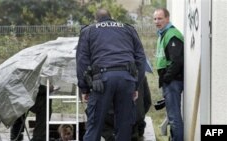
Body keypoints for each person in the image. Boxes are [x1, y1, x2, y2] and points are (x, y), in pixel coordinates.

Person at [76, 8, 149, 141]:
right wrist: (136, 85)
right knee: (124, 127)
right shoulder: (128, 29)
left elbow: (82, 61)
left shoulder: (89, 31)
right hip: (127, 79)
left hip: (101, 81)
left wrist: (84, 88)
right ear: (112, 18)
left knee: (94, 125)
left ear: (95, 20)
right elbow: (141, 59)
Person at [153, 8, 184, 141]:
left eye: (160, 18)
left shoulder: (172, 34)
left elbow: (177, 61)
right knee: (172, 116)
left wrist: (166, 78)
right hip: (169, 82)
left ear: (167, 18)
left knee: (174, 117)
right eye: (155, 19)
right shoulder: (163, 34)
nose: (157, 21)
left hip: (173, 82)